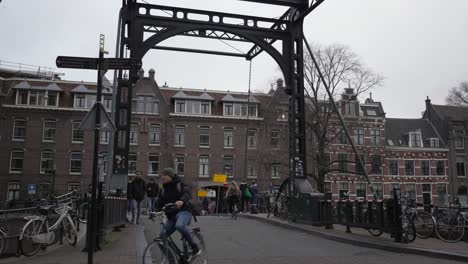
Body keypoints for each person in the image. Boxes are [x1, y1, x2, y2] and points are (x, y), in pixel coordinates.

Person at [156, 168, 201, 258]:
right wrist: (154, 211)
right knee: (161, 237)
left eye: (165, 175)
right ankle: (172, 259)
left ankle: (195, 247)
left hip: (184, 212)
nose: (162, 177)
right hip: (171, 216)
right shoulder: (163, 189)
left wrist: (182, 201)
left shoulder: (180, 184)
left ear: (170, 176)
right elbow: (159, 202)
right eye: (162, 175)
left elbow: (187, 193)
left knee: (179, 225)